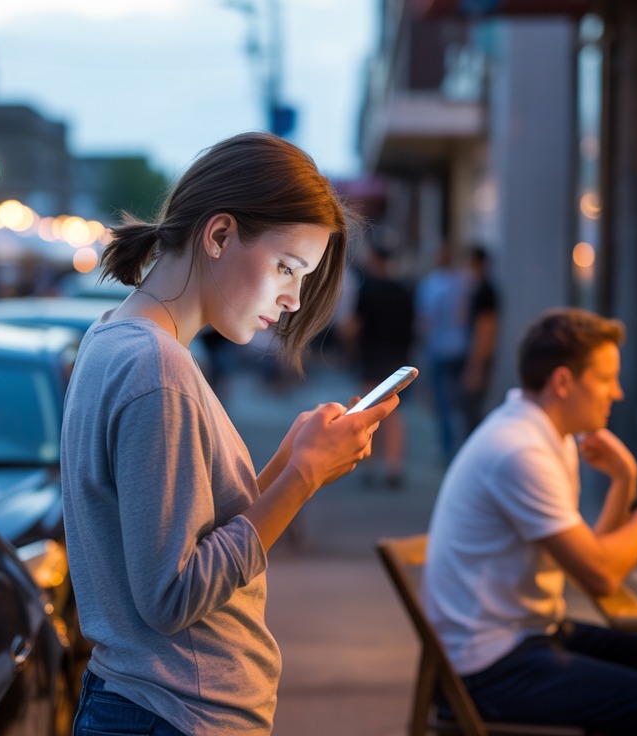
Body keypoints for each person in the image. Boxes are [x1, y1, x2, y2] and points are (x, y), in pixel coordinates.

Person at [60, 132, 397, 736]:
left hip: (153, 705)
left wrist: (289, 462)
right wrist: (301, 478)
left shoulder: (116, 339)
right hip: (172, 711)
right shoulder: (155, 367)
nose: (293, 298)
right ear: (218, 235)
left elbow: (193, 537)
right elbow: (172, 596)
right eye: (285, 267)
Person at [423, 307, 637, 735]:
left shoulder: (547, 436)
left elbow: (590, 558)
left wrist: (625, 481)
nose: (618, 393)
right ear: (562, 381)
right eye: (607, 378)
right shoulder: (520, 451)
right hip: (483, 666)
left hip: (526, 633)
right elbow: (600, 575)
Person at [340, 244, 414, 488]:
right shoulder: (403, 290)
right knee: (394, 413)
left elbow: (355, 326)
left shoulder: (367, 289)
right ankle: (394, 467)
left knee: (369, 409)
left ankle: (368, 464)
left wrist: (348, 346)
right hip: (398, 356)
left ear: (375, 261)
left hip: (372, 355)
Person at [414, 243, 470, 461]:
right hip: (461, 346)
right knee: (460, 400)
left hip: (438, 348)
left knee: (442, 402)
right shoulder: (462, 283)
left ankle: (446, 446)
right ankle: (463, 444)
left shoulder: (430, 284)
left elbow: (424, 321)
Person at [459, 245, 498, 436]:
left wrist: (476, 367)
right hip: (476, 357)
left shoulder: (485, 291)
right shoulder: (478, 289)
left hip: (478, 359)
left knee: (472, 410)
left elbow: (486, 329)